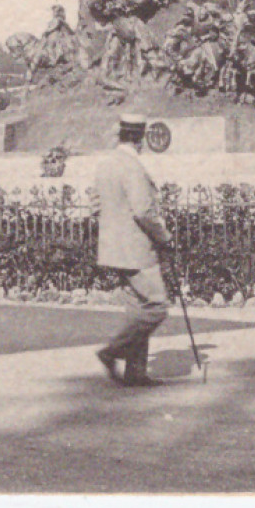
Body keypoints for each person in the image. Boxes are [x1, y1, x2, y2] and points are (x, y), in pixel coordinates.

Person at [95, 113, 175, 387]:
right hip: (136, 247)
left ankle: (135, 373)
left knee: (137, 308)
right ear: (140, 139)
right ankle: (113, 351)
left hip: (113, 247)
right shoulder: (132, 167)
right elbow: (143, 210)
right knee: (157, 306)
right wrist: (164, 236)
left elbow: (97, 205)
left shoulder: (105, 165)